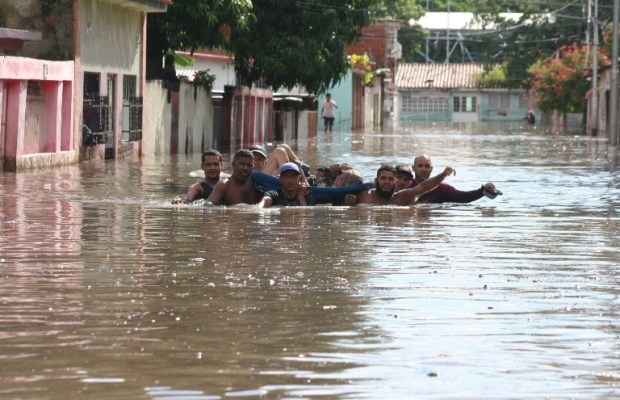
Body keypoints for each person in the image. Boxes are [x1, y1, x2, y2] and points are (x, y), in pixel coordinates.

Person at [346, 164, 455, 206]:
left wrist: (443, 175)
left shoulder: (401, 198)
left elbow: (423, 187)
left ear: (395, 182)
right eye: (383, 178)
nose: (386, 182)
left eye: (390, 179)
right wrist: (346, 201)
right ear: (376, 180)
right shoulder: (363, 195)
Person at [411, 154, 501, 203]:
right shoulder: (405, 185)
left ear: (431, 169)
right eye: (420, 166)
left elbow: (463, 197)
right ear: (413, 168)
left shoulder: (442, 189)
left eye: (427, 166)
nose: (423, 169)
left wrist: (483, 190)